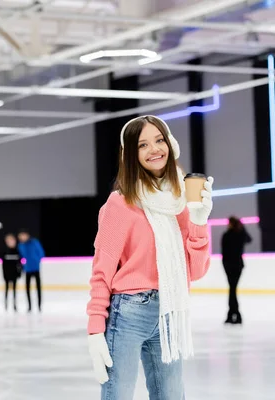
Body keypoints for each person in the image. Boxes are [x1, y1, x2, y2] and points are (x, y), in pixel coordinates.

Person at [86, 115, 213, 400]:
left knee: (170, 395)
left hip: (170, 310)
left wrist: (199, 222)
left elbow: (196, 270)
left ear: (171, 144)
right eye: (143, 145)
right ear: (131, 154)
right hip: (129, 311)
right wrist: (95, 328)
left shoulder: (182, 202)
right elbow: (102, 270)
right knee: (117, 394)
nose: (154, 149)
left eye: (159, 140)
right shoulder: (120, 204)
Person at [221, 216, 252, 325]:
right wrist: (243, 228)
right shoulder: (240, 235)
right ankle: (233, 315)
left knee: (232, 290)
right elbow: (249, 239)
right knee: (232, 290)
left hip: (231, 266)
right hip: (236, 266)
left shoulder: (227, 235)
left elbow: (224, 254)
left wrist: (225, 266)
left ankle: (234, 315)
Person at [17, 229, 45, 312]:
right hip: (27, 269)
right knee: (27, 288)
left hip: (36, 268)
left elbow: (41, 253)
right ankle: (29, 306)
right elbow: (21, 256)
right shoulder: (21, 245)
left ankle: (39, 306)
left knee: (38, 288)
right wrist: (24, 263)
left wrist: (36, 260)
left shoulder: (34, 242)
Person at [1, 233, 22, 311]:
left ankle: (14, 304)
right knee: (7, 289)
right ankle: (6, 304)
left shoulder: (17, 251)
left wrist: (19, 272)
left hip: (14, 273)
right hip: (7, 273)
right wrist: (4, 274)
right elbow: (3, 265)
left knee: (14, 290)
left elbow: (19, 264)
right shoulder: (5, 251)